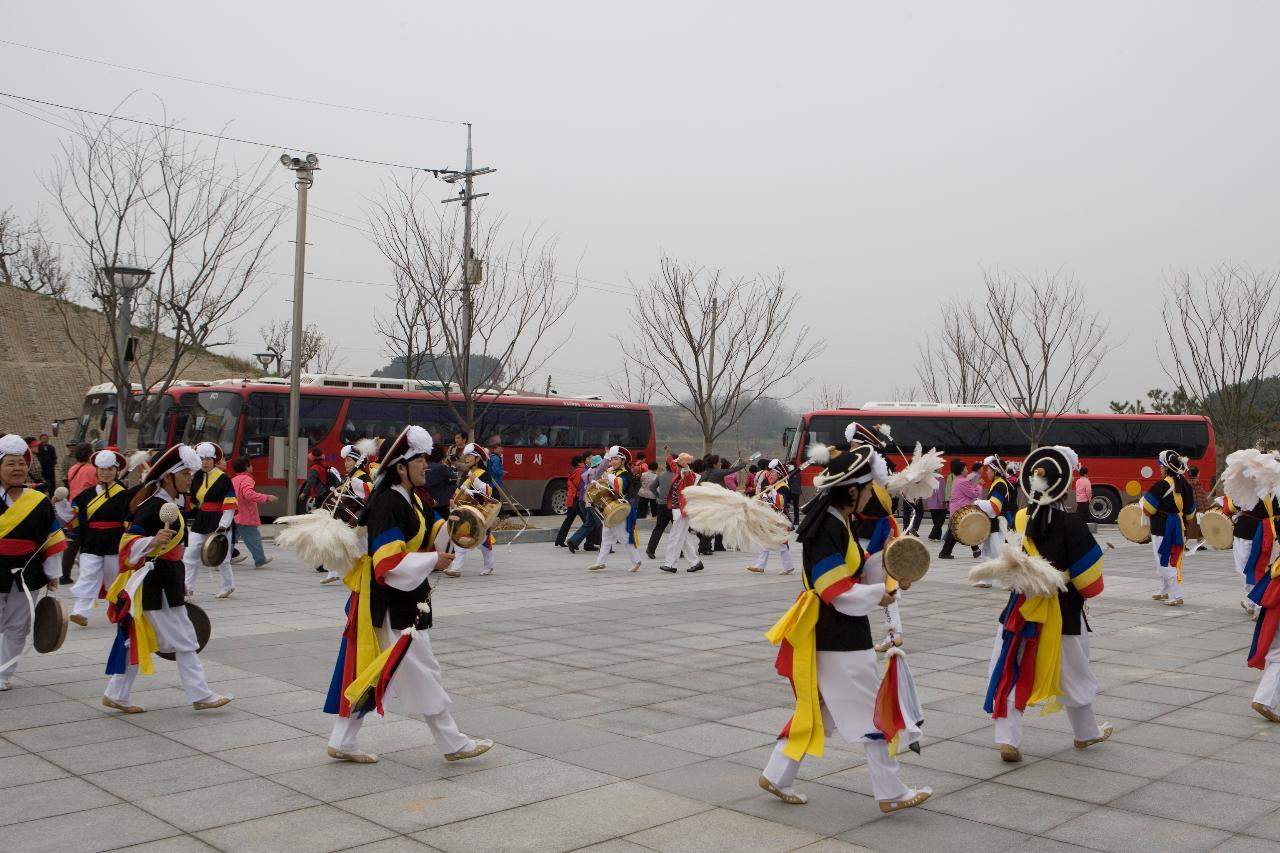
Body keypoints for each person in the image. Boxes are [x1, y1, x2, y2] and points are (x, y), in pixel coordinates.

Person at [757, 443, 930, 812]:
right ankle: (891, 792)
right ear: (852, 490)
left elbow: (859, 566)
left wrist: (893, 568)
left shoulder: (838, 521)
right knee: (872, 711)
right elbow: (836, 590)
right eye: (868, 490)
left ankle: (777, 773)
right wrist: (878, 595)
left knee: (819, 708)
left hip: (833, 631)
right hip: (837, 633)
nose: (871, 496)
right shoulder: (827, 530)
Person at [326, 425, 493, 764]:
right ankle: (453, 743)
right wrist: (434, 559)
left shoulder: (412, 497)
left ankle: (342, 740)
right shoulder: (389, 501)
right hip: (391, 600)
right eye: (420, 460)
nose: (426, 466)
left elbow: (432, 531)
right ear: (401, 466)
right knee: (421, 669)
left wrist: (466, 522)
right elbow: (387, 564)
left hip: (400, 597)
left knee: (378, 670)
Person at [979, 445, 1110, 762]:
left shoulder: (1022, 518)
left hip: (1020, 611)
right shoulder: (1073, 525)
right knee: (1074, 674)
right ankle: (1085, 733)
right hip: (1063, 616)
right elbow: (1091, 586)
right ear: (1065, 485)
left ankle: (1008, 739)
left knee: (1012, 668)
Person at [102, 443, 232, 713]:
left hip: (165, 579)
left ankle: (116, 693)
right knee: (185, 639)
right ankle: (200, 694)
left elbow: (174, 551)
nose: (190, 478)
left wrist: (179, 576)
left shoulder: (168, 504)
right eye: (186, 473)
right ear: (169, 477)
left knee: (137, 639)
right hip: (156, 582)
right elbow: (127, 546)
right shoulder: (153, 507)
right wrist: (151, 540)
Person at [0, 434, 67, 691]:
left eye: (21, 463)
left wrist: (52, 573)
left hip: (27, 572)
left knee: (18, 625)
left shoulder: (38, 499)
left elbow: (51, 538)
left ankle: (4, 673)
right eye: (10, 463)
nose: (18, 468)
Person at [68, 449, 131, 626]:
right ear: (96, 470)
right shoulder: (87, 495)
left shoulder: (125, 494)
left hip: (114, 540)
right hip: (92, 540)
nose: (105, 472)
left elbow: (129, 519)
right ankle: (80, 612)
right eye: (101, 469)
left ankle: (119, 609)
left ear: (116, 470)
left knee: (114, 579)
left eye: (109, 469)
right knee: (88, 576)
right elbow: (76, 516)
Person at [1139, 450, 1196, 607]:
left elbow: (1148, 508)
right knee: (1171, 558)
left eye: (1161, 466)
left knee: (1165, 560)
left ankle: (1176, 594)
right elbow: (1191, 513)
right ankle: (1164, 589)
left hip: (1163, 528)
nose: (1159, 468)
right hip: (1179, 526)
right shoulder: (1185, 485)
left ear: (1166, 468)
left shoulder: (1162, 484)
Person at [183, 442, 238, 599]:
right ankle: (188, 587)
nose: (205, 462)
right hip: (201, 519)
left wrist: (224, 524)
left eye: (208, 459)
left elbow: (230, 503)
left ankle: (228, 586)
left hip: (219, 519)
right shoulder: (196, 477)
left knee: (222, 557)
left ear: (214, 460)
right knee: (190, 553)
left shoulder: (223, 478)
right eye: (201, 459)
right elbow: (193, 500)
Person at [587, 446, 642, 573]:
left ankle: (637, 561)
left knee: (624, 536)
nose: (613, 461)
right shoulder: (612, 472)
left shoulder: (626, 474)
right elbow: (603, 482)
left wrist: (609, 476)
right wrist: (598, 484)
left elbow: (619, 487)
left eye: (616, 459)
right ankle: (601, 562)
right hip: (610, 508)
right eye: (612, 459)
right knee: (606, 536)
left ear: (623, 461)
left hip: (620, 509)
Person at [449, 443, 497, 576]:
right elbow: (458, 490)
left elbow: (489, 492)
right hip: (465, 511)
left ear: (477, 459)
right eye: (466, 456)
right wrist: (453, 499)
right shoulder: (465, 474)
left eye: (470, 456)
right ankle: (455, 569)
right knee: (459, 536)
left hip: (480, 512)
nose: (467, 458)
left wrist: (475, 482)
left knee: (483, 542)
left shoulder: (484, 474)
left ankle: (489, 565)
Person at [747, 460, 794, 575]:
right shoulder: (773, 486)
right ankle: (760, 566)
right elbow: (768, 502)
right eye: (771, 473)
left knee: (781, 544)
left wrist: (772, 491)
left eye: (773, 473)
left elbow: (781, 502)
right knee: (765, 542)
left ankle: (788, 567)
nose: (770, 475)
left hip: (780, 520)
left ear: (779, 475)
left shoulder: (783, 487)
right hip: (771, 519)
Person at [660, 453, 704, 573]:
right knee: (683, 537)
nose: (675, 465)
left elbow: (688, 479)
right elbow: (673, 466)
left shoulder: (690, 476)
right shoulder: (678, 473)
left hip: (682, 510)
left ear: (684, 465)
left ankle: (671, 564)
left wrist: (686, 468)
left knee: (675, 537)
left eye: (678, 463)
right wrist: (668, 455)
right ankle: (695, 562)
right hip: (677, 510)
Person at [230, 457, 277, 569]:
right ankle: (260, 559)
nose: (252, 467)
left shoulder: (233, 480)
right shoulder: (247, 479)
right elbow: (249, 494)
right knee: (253, 538)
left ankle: (221, 558)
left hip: (234, 514)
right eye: (250, 465)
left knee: (231, 539)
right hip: (245, 515)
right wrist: (267, 497)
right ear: (246, 467)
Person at [938, 460, 982, 560]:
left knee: (960, 530)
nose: (967, 470)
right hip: (961, 510)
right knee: (958, 531)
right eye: (965, 468)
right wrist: (978, 486)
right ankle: (945, 552)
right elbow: (973, 494)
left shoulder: (958, 480)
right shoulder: (963, 481)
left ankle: (975, 550)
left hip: (958, 509)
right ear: (961, 471)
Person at [567, 454, 605, 554]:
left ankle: (573, 541)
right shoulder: (596, 473)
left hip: (587, 501)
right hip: (594, 502)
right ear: (598, 464)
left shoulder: (587, 472)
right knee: (602, 523)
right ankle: (605, 546)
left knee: (589, 524)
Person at [646, 456, 676, 560]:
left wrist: (658, 496)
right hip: (674, 506)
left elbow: (651, 487)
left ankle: (650, 549)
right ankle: (680, 551)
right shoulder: (678, 476)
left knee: (658, 528)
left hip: (662, 505)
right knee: (677, 529)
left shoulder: (661, 475)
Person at [554, 455, 585, 546]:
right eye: (583, 461)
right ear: (579, 463)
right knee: (588, 523)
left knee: (568, 521)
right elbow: (580, 486)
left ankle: (559, 540)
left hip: (571, 499)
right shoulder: (580, 471)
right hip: (577, 499)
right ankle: (586, 542)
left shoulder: (573, 471)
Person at [53, 485, 77, 584]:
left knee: (71, 549)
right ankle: (65, 576)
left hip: (68, 526)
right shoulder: (63, 503)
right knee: (73, 547)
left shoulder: (56, 502)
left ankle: (65, 575)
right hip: (75, 523)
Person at [926, 468, 948, 540]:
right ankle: (932, 536)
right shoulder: (940, 478)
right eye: (940, 467)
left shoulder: (929, 477)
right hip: (939, 504)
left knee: (936, 521)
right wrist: (942, 501)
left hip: (931, 503)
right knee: (939, 521)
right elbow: (941, 491)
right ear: (938, 469)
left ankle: (937, 537)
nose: (942, 468)